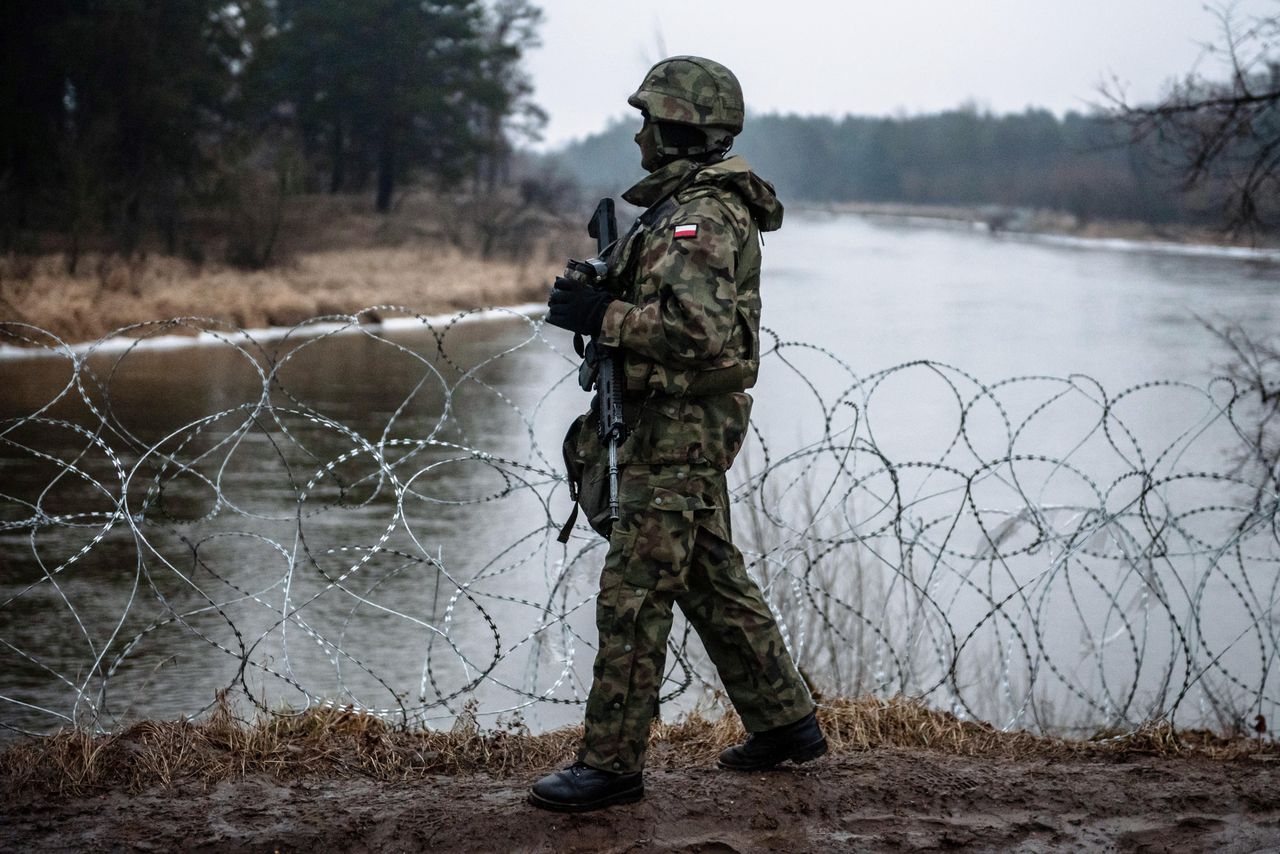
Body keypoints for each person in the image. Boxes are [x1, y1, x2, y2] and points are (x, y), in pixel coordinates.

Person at [532, 56, 825, 813]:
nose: (638, 134)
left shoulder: (704, 215)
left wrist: (603, 316)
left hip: (677, 429)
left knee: (634, 593)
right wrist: (601, 287)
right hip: (673, 425)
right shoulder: (678, 210)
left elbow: (693, 333)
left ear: (680, 127)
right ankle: (785, 722)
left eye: (649, 119)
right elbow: (666, 303)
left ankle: (611, 764)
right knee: (709, 574)